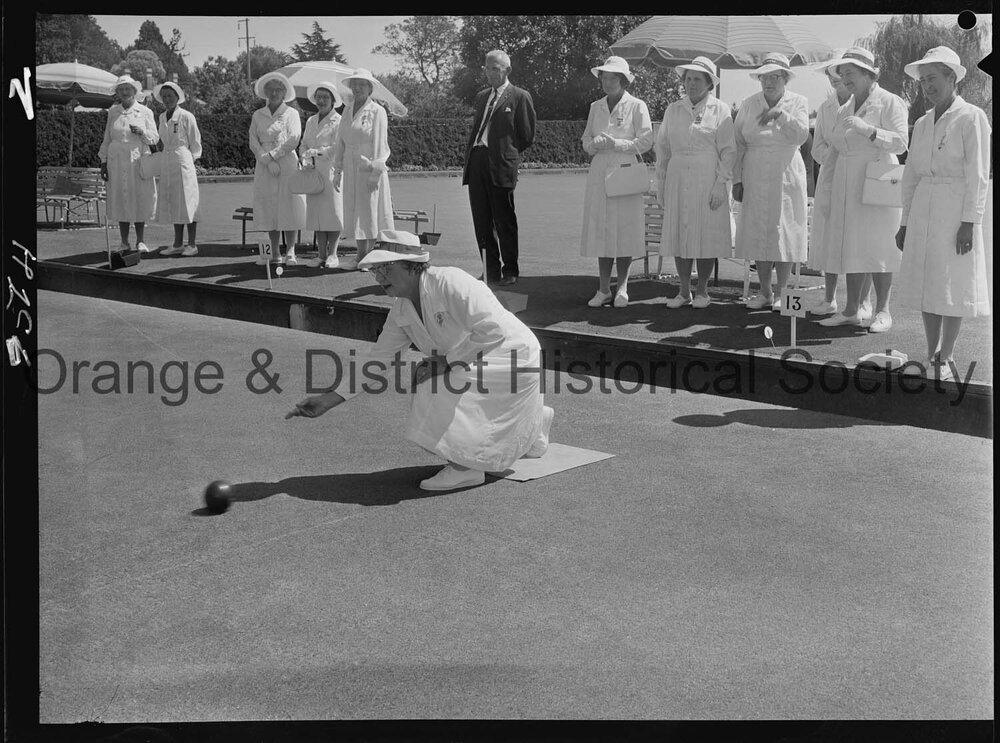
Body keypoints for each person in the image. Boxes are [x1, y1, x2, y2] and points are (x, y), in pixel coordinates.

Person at [286, 230, 555, 492]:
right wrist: (330, 398)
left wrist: (446, 362)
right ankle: (533, 424)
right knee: (436, 376)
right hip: (480, 363)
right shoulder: (401, 308)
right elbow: (378, 360)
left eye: (385, 267)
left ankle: (466, 469)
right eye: (374, 269)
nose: (378, 276)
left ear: (412, 266)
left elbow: (494, 330)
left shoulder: (452, 282)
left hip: (514, 357)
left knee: (433, 382)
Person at [896, 47, 991, 381]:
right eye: (923, 81)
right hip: (923, 207)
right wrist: (904, 221)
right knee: (927, 280)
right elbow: (911, 176)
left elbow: (978, 173)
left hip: (955, 209)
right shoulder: (922, 123)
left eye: (933, 79)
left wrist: (970, 221)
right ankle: (930, 352)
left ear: (952, 78)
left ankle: (946, 355)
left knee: (952, 282)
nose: (927, 87)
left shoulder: (972, 117)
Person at [816, 47, 908, 333]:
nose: (845, 79)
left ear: (869, 74)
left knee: (880, 245)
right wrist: (827, 189)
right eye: (842, 74)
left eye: (850, 73)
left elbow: (901, 143)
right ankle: (852, 309)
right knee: (853, 245)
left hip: (879, 181)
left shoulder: (890, 101)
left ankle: (883, 311)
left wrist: (868, 130)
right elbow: (834, 150)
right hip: (847, 183)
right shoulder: (845, 107)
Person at [656, 56, 736, 309]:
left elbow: (729, 151)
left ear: (709, 83)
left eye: (697, 79)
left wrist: (720, 184)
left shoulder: (721, 110)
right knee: (680, 233)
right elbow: (663, 149)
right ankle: (683, 291)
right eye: (688, 78)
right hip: (678, 178)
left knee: (706, 235)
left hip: (707, 178)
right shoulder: (673, 109)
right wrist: (661, 183)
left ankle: (702, 291)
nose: (691, 83)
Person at [732, 53, 810, 311]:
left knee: (786, 231)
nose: (770, 82)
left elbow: (800, 135)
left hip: (786, 171)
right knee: (758, 232)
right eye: (765, 77)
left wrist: (780, 115)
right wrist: (738, 179)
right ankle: (765, 292)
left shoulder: (799, 101)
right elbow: (739, 142)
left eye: (775, 76)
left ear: (785, 78)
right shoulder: (748, 103)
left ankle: (783, 296)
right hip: (754, 171)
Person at [580, 56, 653, 308]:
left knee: (624, 230)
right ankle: (603, 289)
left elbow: (646, 141)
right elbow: (586, 139)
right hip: (600, 171)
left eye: (613, 78)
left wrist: (617, 144)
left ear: (623, 80)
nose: (607, 82)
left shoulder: (637, 105)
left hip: (625, 172)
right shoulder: (595, 106)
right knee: (603, 230)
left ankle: (621, 288)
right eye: (605, 77)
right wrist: (594, 145)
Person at [462, 50, 537, 286]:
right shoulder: (482, 96)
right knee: (481, 220)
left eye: (495, 68)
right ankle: (489, 269)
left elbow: (526, 136)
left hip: (502, 165)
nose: (490, 72)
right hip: (477, 162)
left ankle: (510, 269)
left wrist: (506, 155)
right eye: (487, 68)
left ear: (507, 70)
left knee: (504, 220)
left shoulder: (520, 96)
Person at [333, 68, 394, 270]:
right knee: (355, 209)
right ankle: (361, 255)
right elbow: (340, 141)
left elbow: (381, 144)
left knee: (369, 210)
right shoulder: (347, 110)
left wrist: (375, 171)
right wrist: (338, 169)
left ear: (370, 88)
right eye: (354, 84)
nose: (357, 88)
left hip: (368, 167)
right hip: (351, 167)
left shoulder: (378, 111)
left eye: (362, 84)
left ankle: (366, 256)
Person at [249, 71, 307, 265]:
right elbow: (253, 140)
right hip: (264, 165)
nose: (274, 94)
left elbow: (294, 138)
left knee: (288, 205)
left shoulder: (292, 113)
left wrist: (275, 155)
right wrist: (266, 159)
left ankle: (290, 251)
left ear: (284, 93)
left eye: (277, 90)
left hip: (287, 164)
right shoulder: (258, 115)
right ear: (265, 93)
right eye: (270, 90)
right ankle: (274, 253)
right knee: (269, 207)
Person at [98, 75, 158, 253]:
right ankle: (124, 242)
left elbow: (154, 138)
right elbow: (107, 138)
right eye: (121, 89)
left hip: (137, 158)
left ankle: (140, 241)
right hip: (116, 161)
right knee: (121, 198)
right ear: (118, 92)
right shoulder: (113, 112)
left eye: (128, 89)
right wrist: (103, 162)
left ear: (134, 91)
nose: (125, 92)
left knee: (139, 197)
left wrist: (142, 132)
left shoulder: (145, 112)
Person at [299, 81, 345, 269]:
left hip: (332, 171)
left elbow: (338, 147)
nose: (321, 100)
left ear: (333, 100)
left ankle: (333, 254)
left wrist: (317, 153)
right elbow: (303, 144)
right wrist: (305, 159)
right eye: (319, 97)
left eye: (325, 97)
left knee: (332, 212)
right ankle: (321, 255)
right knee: (317, 212)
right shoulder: (311, 120)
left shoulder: (339, 121)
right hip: (313, 172)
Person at [152, 81, 202, 257]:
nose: (167, 99)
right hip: (167, 160)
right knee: (174, 202)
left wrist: (189, 160)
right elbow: (161, 139)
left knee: (188, 202)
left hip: (182, 160)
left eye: (170, 96)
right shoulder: (161, 117)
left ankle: (193, 244)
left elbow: (196, 143)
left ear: (177, 97)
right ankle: (178, 243)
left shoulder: (187, 116)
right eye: (164, 96)